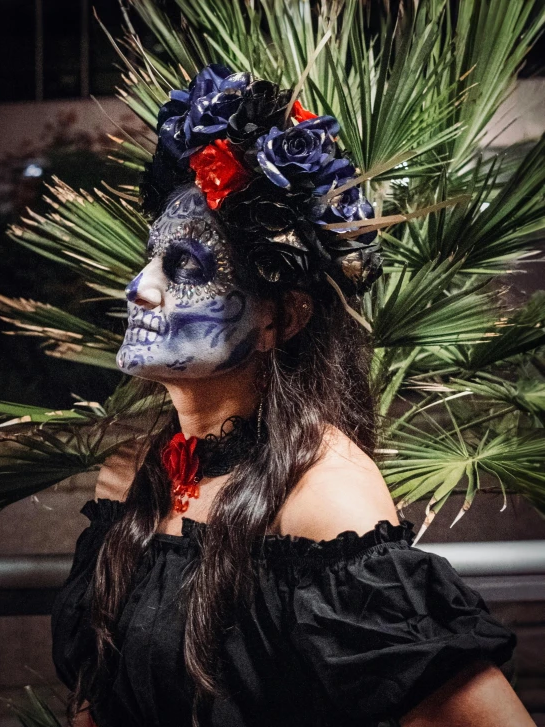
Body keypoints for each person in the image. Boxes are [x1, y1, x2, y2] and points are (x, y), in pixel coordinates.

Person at [51, 65, 534, 727]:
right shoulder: (131, 476)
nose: (141, 288)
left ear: (284, 316)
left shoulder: (323, 496)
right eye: (149, 256)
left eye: (184, 268)